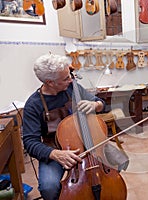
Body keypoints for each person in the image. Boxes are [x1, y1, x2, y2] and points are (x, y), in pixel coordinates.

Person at [22, 53, 105, 200]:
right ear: (50, 82)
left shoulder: (73, 88)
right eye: (66, 78)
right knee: (49, 187)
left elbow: (99, 103)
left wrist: (95, 104)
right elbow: (30, 142)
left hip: (85, 143)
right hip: (55, 149)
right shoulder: (33, 105)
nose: (71, 79)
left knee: (117, 162)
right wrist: (55, 154)